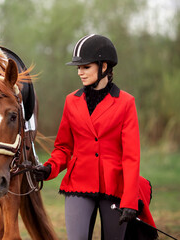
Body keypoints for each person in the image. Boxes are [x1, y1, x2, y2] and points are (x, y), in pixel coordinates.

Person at [34, 34, 157, 240]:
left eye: (86, 67)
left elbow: (131, 156)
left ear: (104, 66)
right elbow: (64, 147)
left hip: (114, 185)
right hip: (79, 182)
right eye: (78, 68)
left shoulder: (126, 102)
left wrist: (129, 200)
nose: (80, 72)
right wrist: (49, 168)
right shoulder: (71, 101)